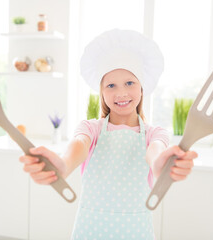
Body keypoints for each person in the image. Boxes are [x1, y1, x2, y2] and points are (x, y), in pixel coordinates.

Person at [19, 29, 197, 239]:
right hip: (90, 230)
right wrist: (63, 166)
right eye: (111, 85)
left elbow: (156, 153)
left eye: (130, 83)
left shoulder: (154, 133)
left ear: (142, 88)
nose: (121, 92)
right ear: (102, 92)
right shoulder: (91, 129)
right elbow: (77, 147)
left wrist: (161, 166)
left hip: (136, 231)